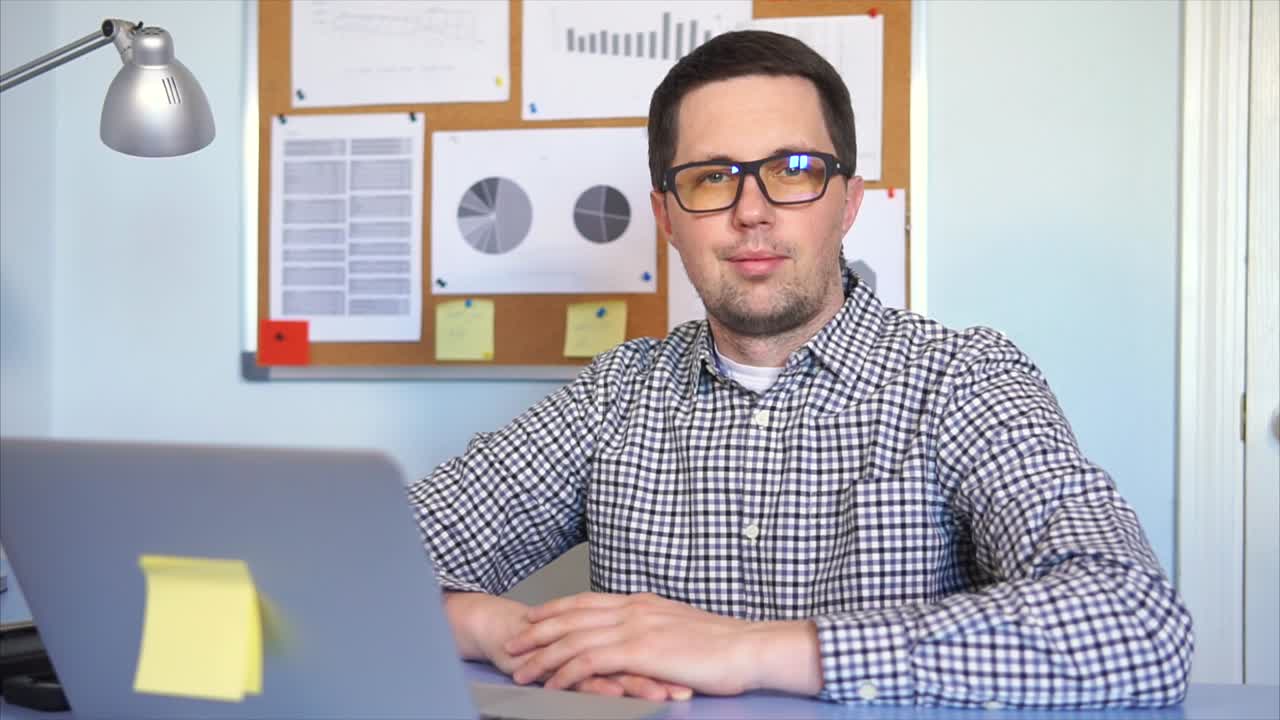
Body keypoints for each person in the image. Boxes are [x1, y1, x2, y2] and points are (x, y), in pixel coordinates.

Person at [408, 30, 1193, 708]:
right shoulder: (616, 396)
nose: (753, 210)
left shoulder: (962, 380)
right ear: (666, 218)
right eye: (712, 178)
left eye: (791, 168)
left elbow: (1136, 622)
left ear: (847, 201)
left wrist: (751, 651)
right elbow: (355, 565)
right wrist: (506, 630)